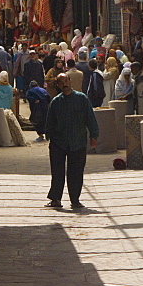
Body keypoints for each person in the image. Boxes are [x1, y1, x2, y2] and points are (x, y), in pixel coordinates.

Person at [44, 73, 98, 210]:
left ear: (70, 81)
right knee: (57, 171)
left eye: (66, 80)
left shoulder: (82, 99)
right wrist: (49, 136)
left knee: (76, 172)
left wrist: (94, 135)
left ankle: (75, 199)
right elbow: (50, 121)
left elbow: (90, 118)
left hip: (77, 141)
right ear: (58, 85)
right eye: (61, 82)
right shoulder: (56, 102)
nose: (64, 84)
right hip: (58, 142)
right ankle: (56, 198)